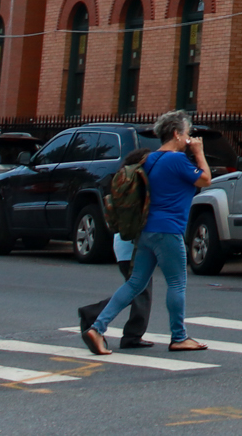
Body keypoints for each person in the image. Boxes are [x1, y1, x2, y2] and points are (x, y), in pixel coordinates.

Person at [82, 111, 212, 354]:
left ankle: (97, 328)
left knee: (135, 283)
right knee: (177, 283)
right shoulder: (177, 160)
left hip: (147, 229)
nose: (190, 138)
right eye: (187, 134)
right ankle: (179, 337)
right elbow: (205, 179)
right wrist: (199, 153)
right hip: (169, 230)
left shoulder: (150, 160)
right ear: (176, 134)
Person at [77, 148, 151, 347]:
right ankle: (97, 316)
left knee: (138, 290)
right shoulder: (136, 184)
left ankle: (131, 334)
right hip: (131, 247)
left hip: (124, 245)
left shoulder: (125, 182)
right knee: (139, 290)